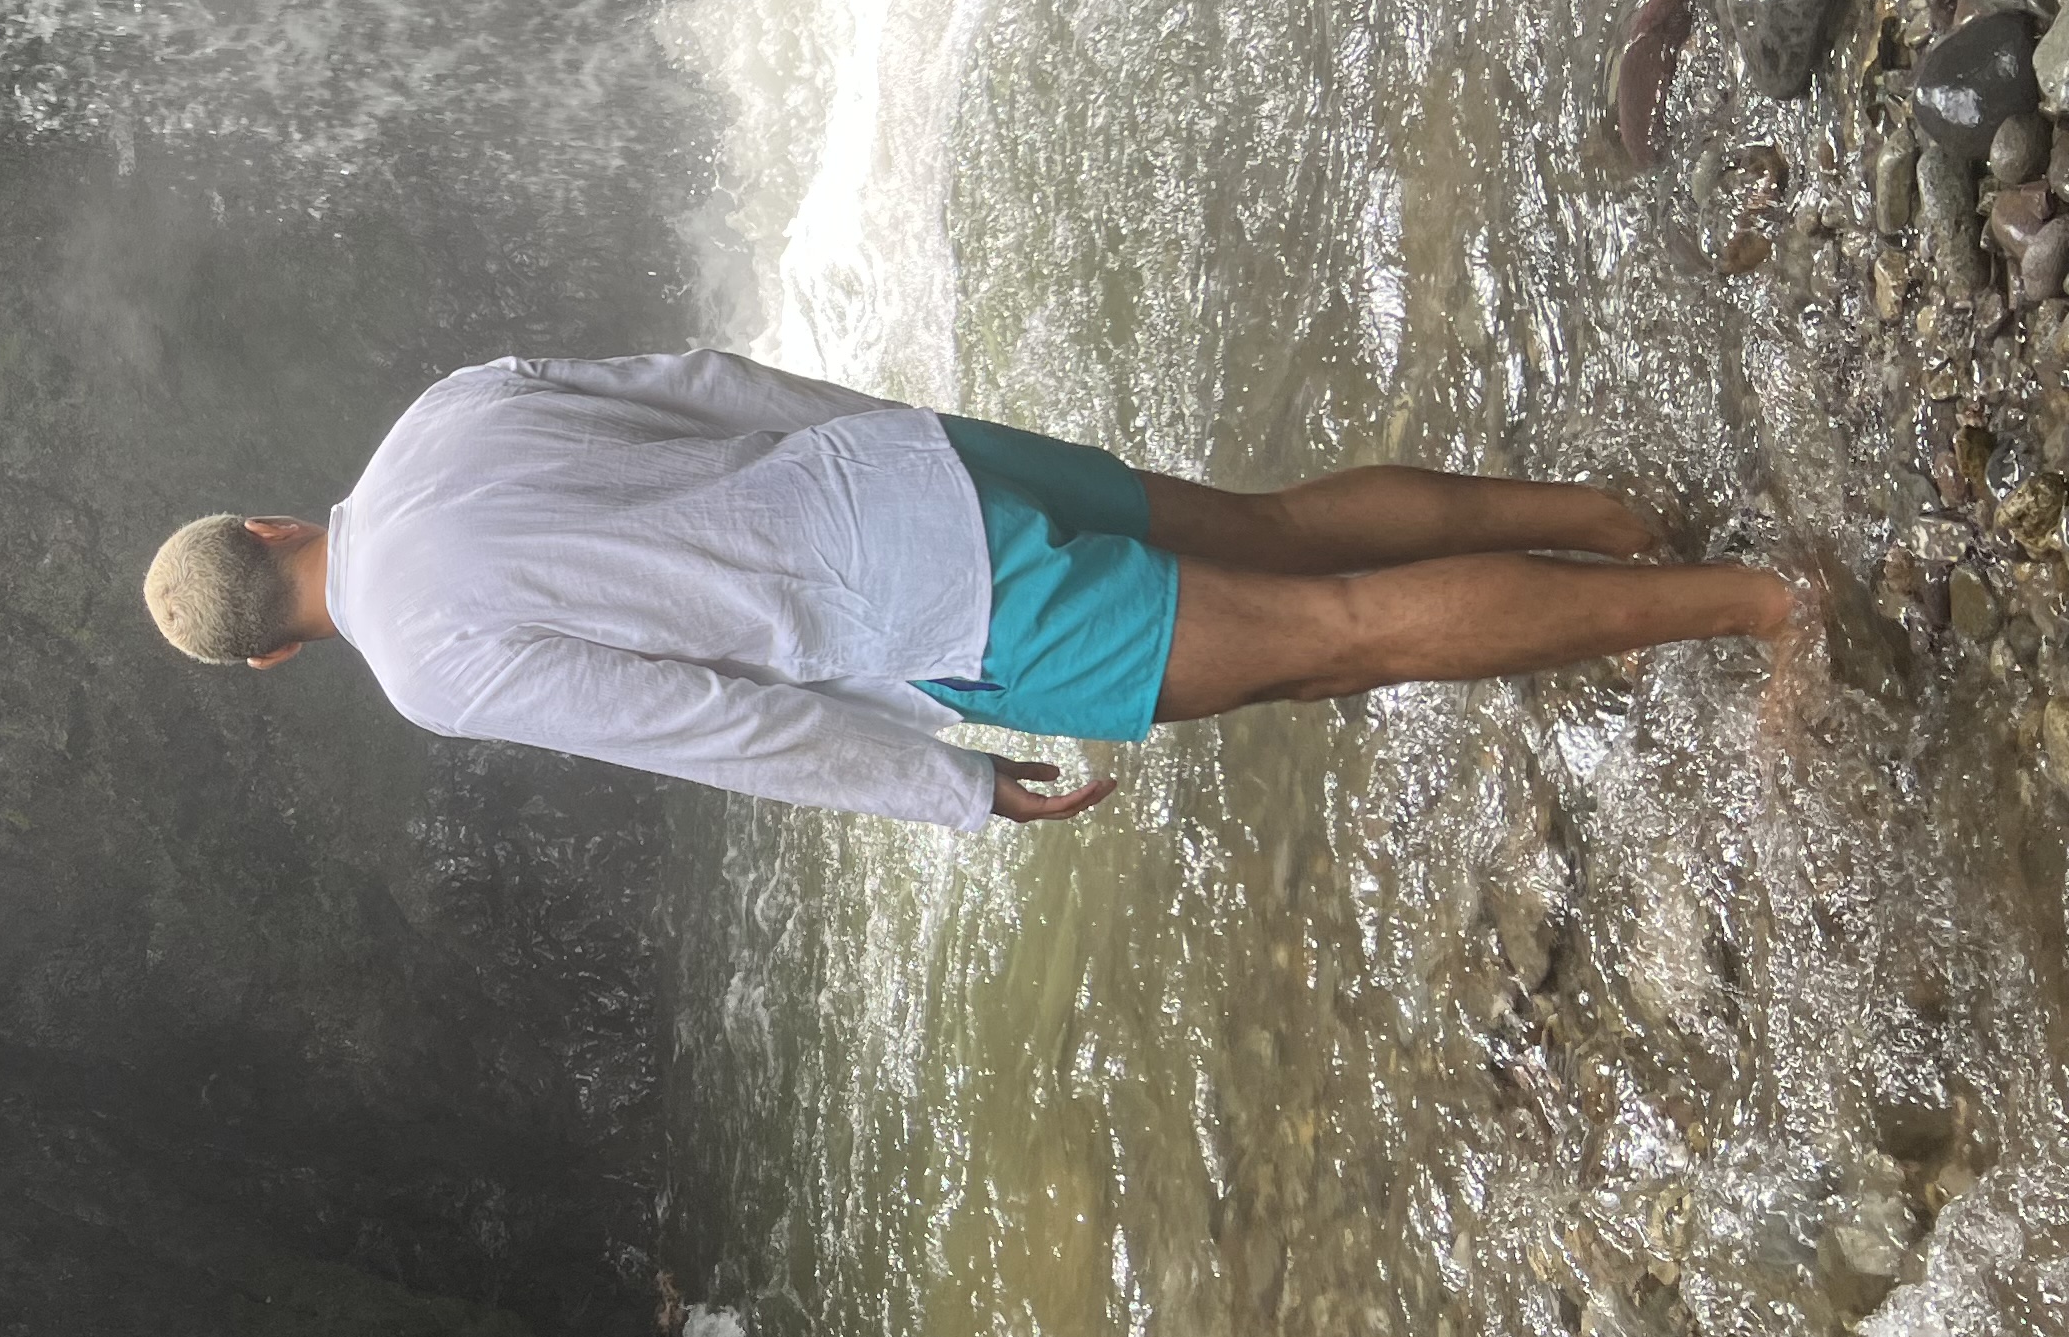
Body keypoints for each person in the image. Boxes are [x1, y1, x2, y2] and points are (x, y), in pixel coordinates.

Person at [139, 349, 1796, 829]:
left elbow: (697, 724)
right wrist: (885, 440)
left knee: (1335, 641)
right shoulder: (435, 416)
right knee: (1291, 551)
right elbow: (708, 384)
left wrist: (945, 791)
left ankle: (1761, 604)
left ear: (273, 660)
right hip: (907, 473)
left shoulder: (429, 669)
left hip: (942, 622)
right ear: (270, 525)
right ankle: (1638, 518)